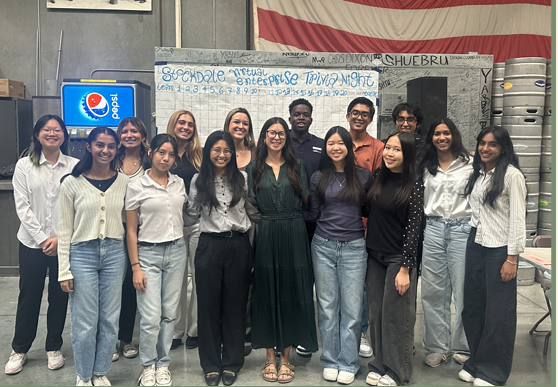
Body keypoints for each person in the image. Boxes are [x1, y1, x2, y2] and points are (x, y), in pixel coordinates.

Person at [5, 115, 78, 376]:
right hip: (32, 243)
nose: (52, 133)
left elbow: (76, 205)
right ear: (37, 135)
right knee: (29, 295)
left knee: (60, 296)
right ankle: (20, 348)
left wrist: (59, 238)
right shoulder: (24, 166)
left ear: (64, 135)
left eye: (57, 130)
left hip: (63, 243)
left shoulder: (74, 166)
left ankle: (53, 346)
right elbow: (22, 206)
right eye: (46, 129)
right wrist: (42, 238)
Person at [247, 117, 318, 384]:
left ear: (286, 137)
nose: (276, 137)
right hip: (266, 232)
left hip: (294, 231)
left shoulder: (296, 165)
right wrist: (267, 223)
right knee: (266, 290)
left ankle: (285, 358)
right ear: (263, 136)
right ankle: (269, 357)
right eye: (271, 132)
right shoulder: (253, 168)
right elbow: (251, 205)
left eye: (281, 133)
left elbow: (307, 201)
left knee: (291, 291)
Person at [58, 127, 129, 386]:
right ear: (89, 146)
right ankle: (84, 374)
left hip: (114, 253)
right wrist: (63, 270)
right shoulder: (71, 182)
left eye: (111, 146)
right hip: (82, 254)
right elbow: (64, 229)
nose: (105, 151)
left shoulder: (123, 182)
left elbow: (127, 220)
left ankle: (100, 371)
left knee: (110, 318)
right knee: (85, 321)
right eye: (100, 145)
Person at [186, 131, 256, 386]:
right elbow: (191, 214)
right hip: (209, 246)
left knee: (236, 306)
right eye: (216, 150)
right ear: (208, 152)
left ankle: (232, 362)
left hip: (238, 245)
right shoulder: (198, 180)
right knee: (208, 306)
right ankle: (211, 364)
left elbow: (249, 209)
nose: (222, 155)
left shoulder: (243, 178)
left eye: (226, 150)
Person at [459, 126, 526, 387]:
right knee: (474, 307)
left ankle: (493, 371)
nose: (486, 148)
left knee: (499, 312)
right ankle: (475, 362)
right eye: (482, 143)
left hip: (500, 250)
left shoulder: (512, 176)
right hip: (476, 244)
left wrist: (512, 258)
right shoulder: (480, 174)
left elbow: (518, 220)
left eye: (493, 145)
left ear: (503, 148)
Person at [307, 126, 373, 385]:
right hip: (322, 245)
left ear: (348, 146)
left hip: (355, 248)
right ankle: (330, 360)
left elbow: (370, 210)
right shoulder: (318, 177)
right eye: (330, 143)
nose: (335, 147)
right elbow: (312, 213)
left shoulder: (364, 177)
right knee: (326, 307)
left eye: (340, 143)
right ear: (326, 148)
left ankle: (348, 362)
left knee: (353, 309)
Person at [126, 134, 187, 387]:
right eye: (162, 152)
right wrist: (135, 266)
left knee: (169, 315)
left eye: (171, 154)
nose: (166, 158)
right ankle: (147, 365)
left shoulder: (179, 183)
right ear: (150, 152)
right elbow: (130, 230)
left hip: (176, 251)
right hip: (147, 254)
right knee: (150, 317)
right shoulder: (136, 186)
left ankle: (163, 364)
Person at [364, 132, 423, 387]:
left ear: (407, 155)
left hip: (398, 259)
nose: (389, 153)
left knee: (396, 316)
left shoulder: (415, 186)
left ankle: (398, 371)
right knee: (376, 314)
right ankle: (379, 363)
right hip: (374, 256)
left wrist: (405, 268)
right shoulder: (379, 178)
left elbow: (414, 230)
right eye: (387, 147)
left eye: (397, 150)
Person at [417, 118, 472, 368]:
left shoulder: (470, 164)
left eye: (446, 133)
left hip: (463, 229)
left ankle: (462, 345)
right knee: (433, 291)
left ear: (454, 135)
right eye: (437, 133)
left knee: (463, 290)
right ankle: (438, 347)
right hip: (435, 228)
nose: (442, 137)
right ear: (431, 138)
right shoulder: (425, 166)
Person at [346, 96, 383, 359]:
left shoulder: (379, 148)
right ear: (347, 115)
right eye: (355, 113)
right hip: (339, 226)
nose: (359, 117)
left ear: (371, 119)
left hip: (366, 227)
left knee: (362, 285)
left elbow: (380, 188)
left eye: (365, 114)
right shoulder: (337, 142)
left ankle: (361, 332)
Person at [112, 117, 151, 362]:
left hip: (140, 232)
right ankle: (108, 339)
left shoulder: (149, 161)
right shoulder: (110, 159)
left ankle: (125, 339)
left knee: (130, 287)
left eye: (134, 131)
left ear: (142, 134)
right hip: (113, 230)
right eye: (124, 131)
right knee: (111, 286)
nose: (129, 135)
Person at [288, 98, 323, 358]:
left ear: (311, 118)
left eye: (306, 114)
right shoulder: (278, 142)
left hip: (313, 223)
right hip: (285, 221)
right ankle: (287, 331)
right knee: (288, 278)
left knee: (309, 279)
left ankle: (305, 333)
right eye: (297, 114)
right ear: (290, 117)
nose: (301, 117)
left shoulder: (321, 146)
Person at [167, 110, 203, 351]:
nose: (186, 127)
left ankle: (195, 330)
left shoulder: (199, 156)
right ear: (173, 124)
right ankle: (176, 331)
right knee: (176, 281)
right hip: (171, 226)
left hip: (199, 224)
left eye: (190, 124)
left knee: (199, 278)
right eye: (181, 122)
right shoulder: (163, 152)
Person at [223, 107, 257, 356]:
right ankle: (228, 330)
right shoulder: (219, 151)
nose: (241, 126)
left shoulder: (257, 153)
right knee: (231, 279)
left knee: (252, 277)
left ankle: (248, 330)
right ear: (228, 124)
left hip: (253, 221)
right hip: (226, 225)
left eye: (245, 123)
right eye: (236, 121)